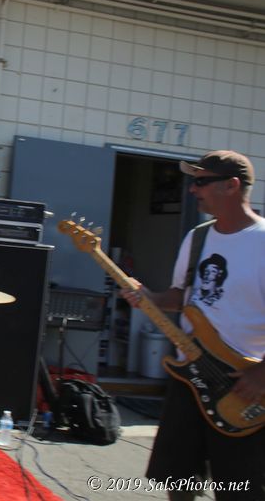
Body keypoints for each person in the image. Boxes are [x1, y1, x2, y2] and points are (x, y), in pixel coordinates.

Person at [121, 150, 265, 501]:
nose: (192, 189)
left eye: (201, 182)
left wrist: (262, 374)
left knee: (240, 489)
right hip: (189, 376)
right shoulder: (197, 238)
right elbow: (181, 296)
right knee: (178, 478)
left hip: (242, 384)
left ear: (231, 186)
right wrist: (150, 297)